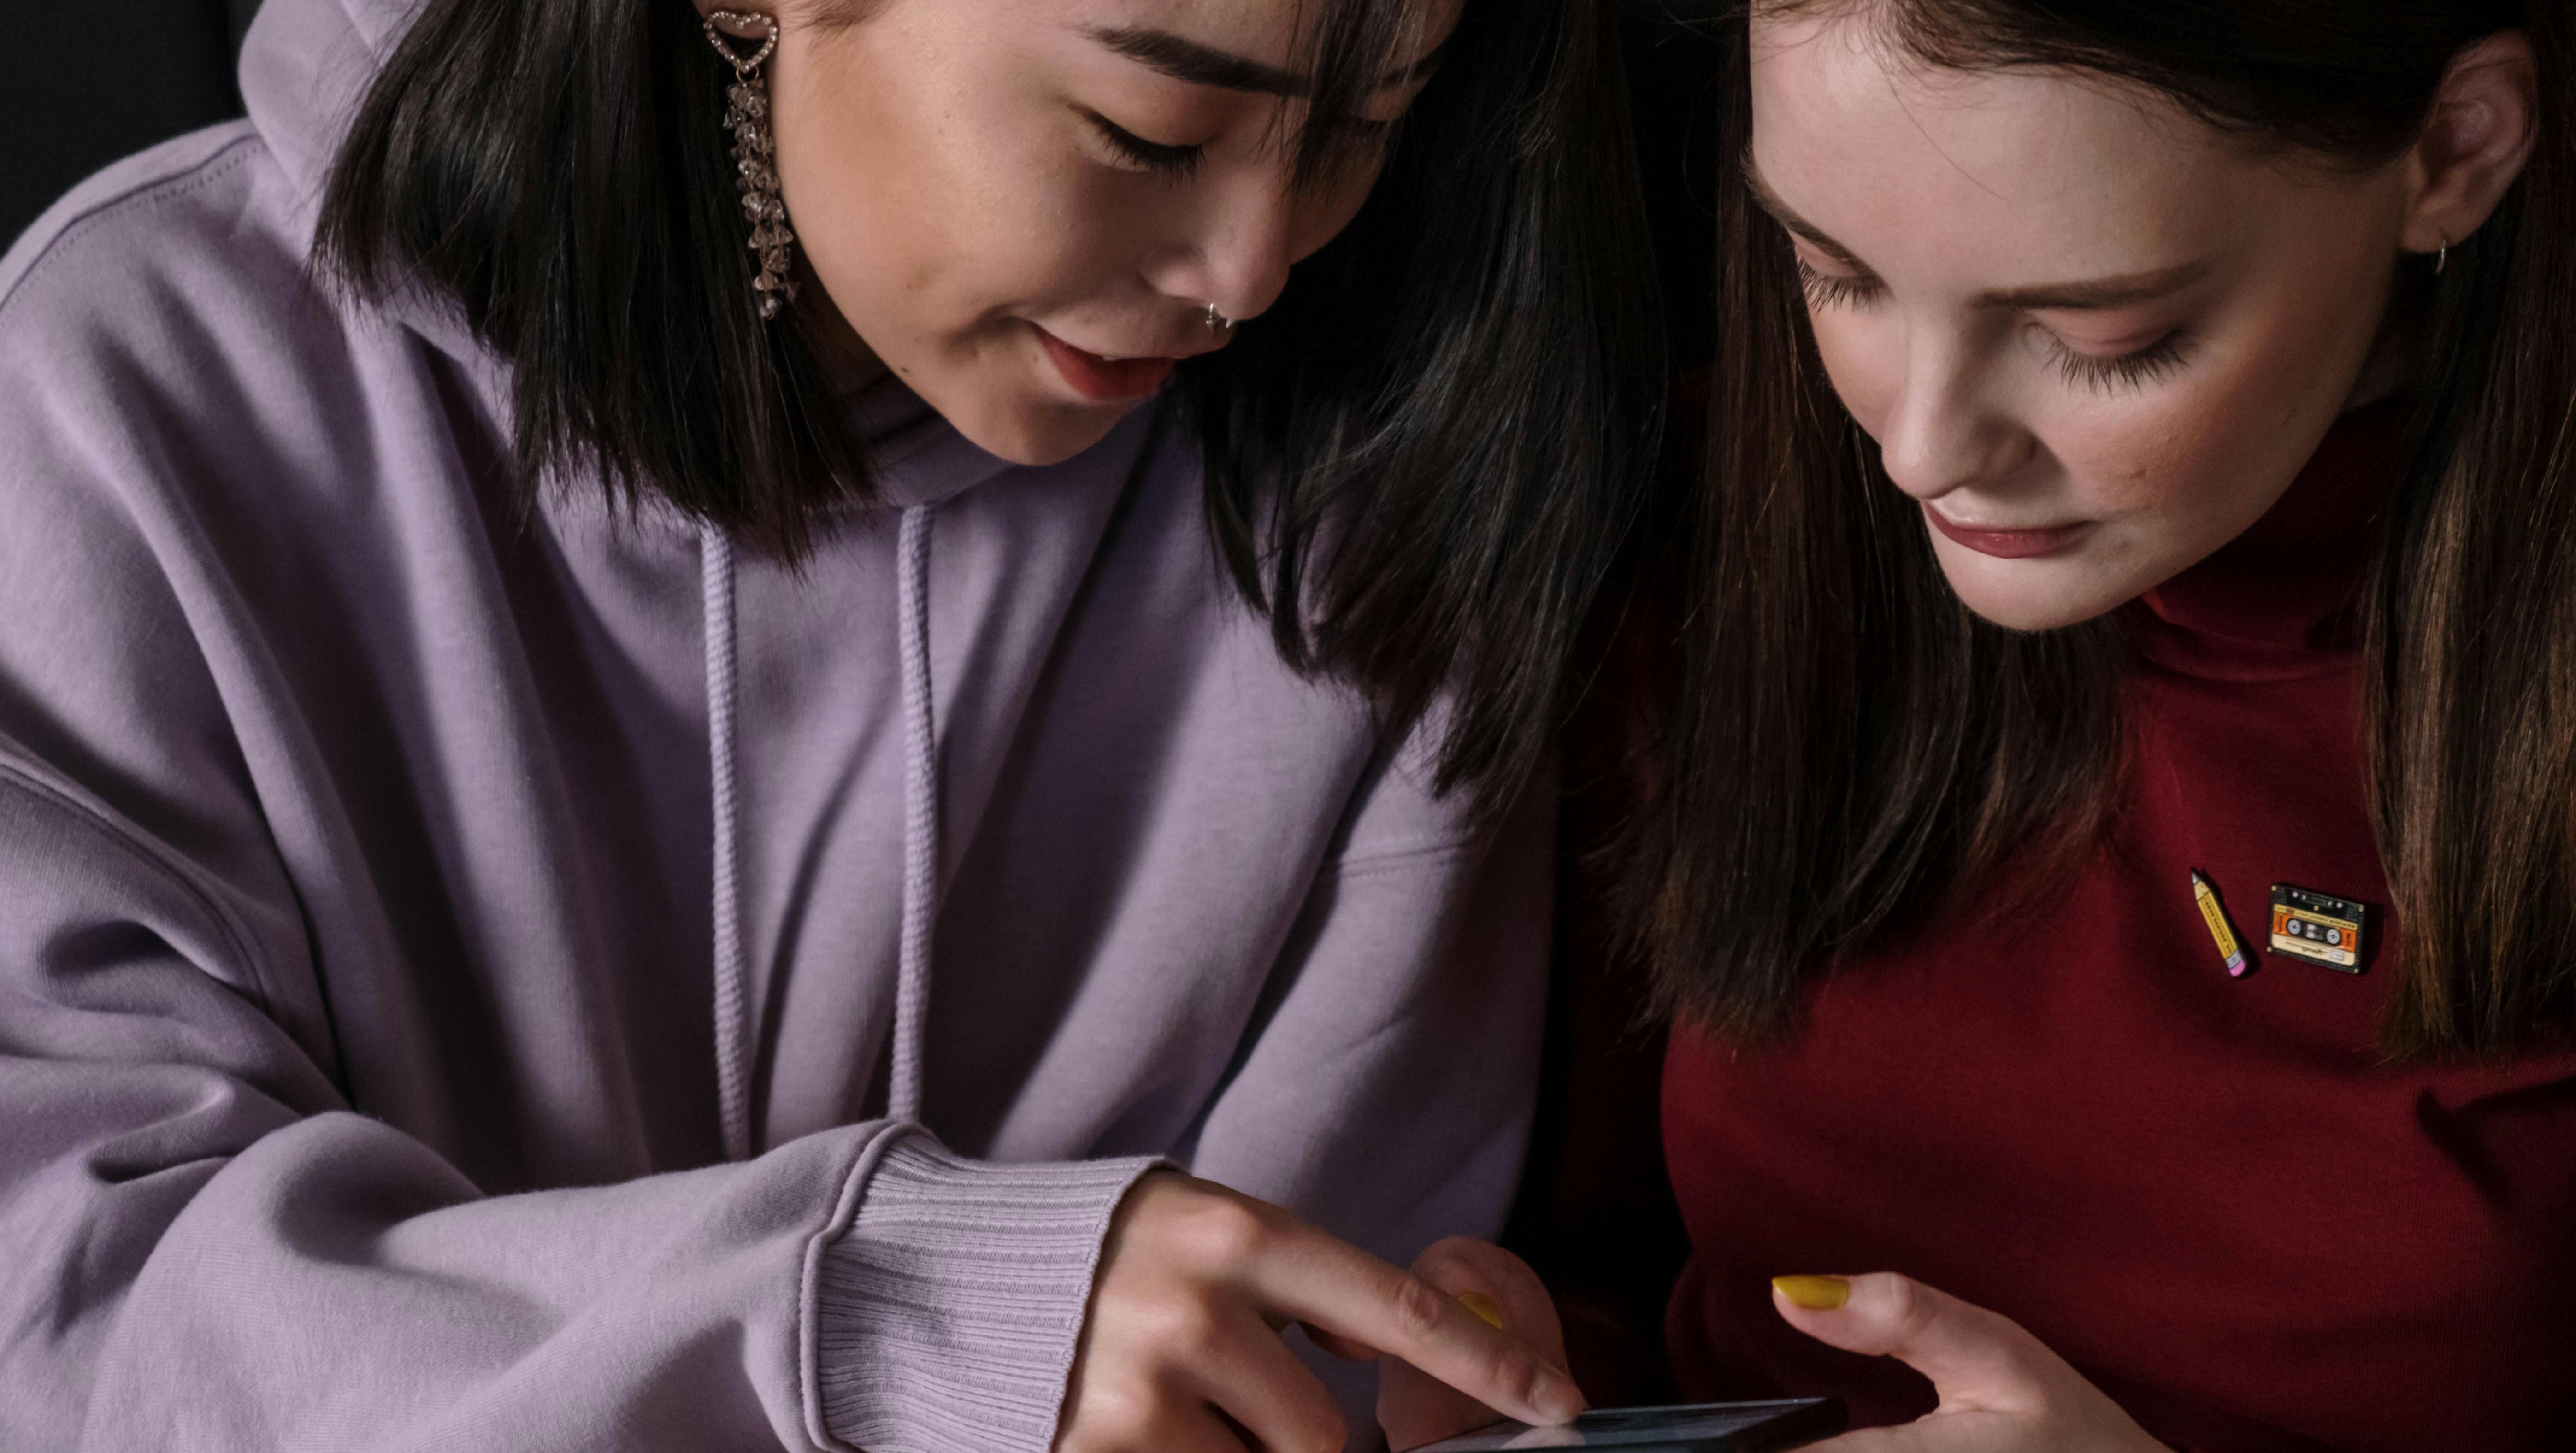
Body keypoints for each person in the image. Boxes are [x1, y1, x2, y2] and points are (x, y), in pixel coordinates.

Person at [0, 0, 1658, 1448]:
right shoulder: (124, 409)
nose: (1253, 267)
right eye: (1150, 130)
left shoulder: (1387, 484)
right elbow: (68, 1327)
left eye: (1358, 131)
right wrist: (872, 1321)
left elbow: (1302, 1352)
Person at [1408, 2, 2576, 1450]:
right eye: (1834, 275)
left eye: (2101, 336)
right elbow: (1627, 1270)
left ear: (2454, 154)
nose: (1922, 448)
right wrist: (1538, 1390)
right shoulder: (1708, 552)